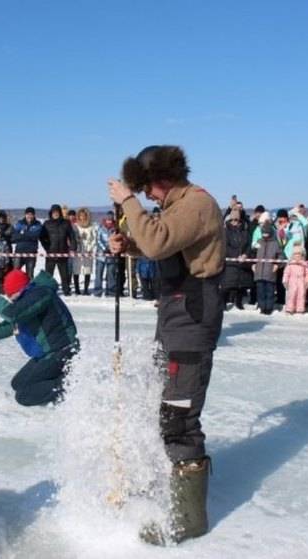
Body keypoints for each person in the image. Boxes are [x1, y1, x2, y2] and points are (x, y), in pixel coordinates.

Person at [108, 145, 225, 545]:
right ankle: (171, 487)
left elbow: (159, 242)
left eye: (147, 190)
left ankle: (189, 519)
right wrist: (129, 244)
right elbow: (161, 243)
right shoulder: (177, 206)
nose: (147, 198)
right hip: (176, 311)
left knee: (179, 414)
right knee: (165, 403)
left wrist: (126, 202)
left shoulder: (196, 203)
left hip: (193, 314)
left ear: (162, 178)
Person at [0, 270, 79, 406]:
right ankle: (64, 378)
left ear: (20, 290)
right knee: (17, 384)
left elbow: (13, 314)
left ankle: (72, 387)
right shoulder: (28, 301)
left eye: (12, 297)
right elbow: (10, 326)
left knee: (24, 395)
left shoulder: (40, 294)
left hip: (61, 351)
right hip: (46, 354)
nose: (11, 300)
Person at [40, 204, 77, 296]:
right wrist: (47, 247)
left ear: (60, 213)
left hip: (63, 252)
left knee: (64, 275)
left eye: (57, 212)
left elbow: (72, 236)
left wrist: (72, 248)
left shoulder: (66, 223)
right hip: (51, 252)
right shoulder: (47, 223)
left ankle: (66, 290)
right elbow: (42, 237)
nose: (55, 214)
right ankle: (47, 291)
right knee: (48, 275)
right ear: (51, 213)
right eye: (53, 212)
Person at [222, 207, 252, 310]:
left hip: (242, 262)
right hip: (230, 262)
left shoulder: (245, 232)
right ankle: (223, 303)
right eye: (233, 220)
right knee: (227, 284)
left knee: (241, 284)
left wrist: (245, 255)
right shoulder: (225, 232)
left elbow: (248, 245)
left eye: (237, 220)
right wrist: (236, 255)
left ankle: (239, 302)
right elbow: (225, 247)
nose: (235, 222)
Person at [252, 220, 282, 314]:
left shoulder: (275, 243)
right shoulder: (258, 242)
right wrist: (252, 263)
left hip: (270, 272)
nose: (265, 235)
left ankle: (269, 308)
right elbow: (252, 254)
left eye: (266, 233)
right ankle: (262, 307)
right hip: (259, 272)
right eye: (263, 233)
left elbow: (281, 256)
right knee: (260, 291)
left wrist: (277, 265)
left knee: (270, 291)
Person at [13, 207, 43, 278]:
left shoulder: (38, 224)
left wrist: (23, 233)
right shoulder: (19, 223)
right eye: (28, 214)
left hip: (31, 253)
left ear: (34, 215)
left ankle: (29, 288)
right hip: (19, 252)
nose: (29, 216)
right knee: (16, 272)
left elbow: (35, 236)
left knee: (30, 274)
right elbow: (15, 236)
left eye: (31, 214)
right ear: (25, 215)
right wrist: (29, 234)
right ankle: (16, 288)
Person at [73, 208, 97, 295]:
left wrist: (90, 249)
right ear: (78, 216)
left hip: (88, 251)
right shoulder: (75, 226)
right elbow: (73, 238)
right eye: (80, 216)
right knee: (76, 270)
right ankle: (77, 289)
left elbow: (94, 239)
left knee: (87, 270)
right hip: (78, 251)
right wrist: (75, 247)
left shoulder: (91, 226)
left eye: (84, 216)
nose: (82, 217)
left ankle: (86, 289)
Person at [93, 211, 117, 297]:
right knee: (99, 273)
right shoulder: (100, 228)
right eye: (108, 219)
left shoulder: (115, 229)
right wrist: (104, 248)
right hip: (101, 255)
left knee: (111, 274)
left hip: (111, 255)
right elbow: (98, 239)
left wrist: (112, 248)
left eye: (110, 219)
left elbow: (117, 239)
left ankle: (111, 290)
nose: (109, 221)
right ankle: (97, 290)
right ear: (105, 220)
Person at [283, 244, 308, 314]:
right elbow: (286, 273)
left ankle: (300, 309)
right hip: (292, 282)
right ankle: (290, 308)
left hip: (301, 282)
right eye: (295, 254)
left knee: (301, 295)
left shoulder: (304, 265)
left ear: (302, 255)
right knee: (291, 295)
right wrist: (285, 281)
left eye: (299, 254)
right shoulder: (290, 264)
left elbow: (307, 273)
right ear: (293, 255)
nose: (297, 256)